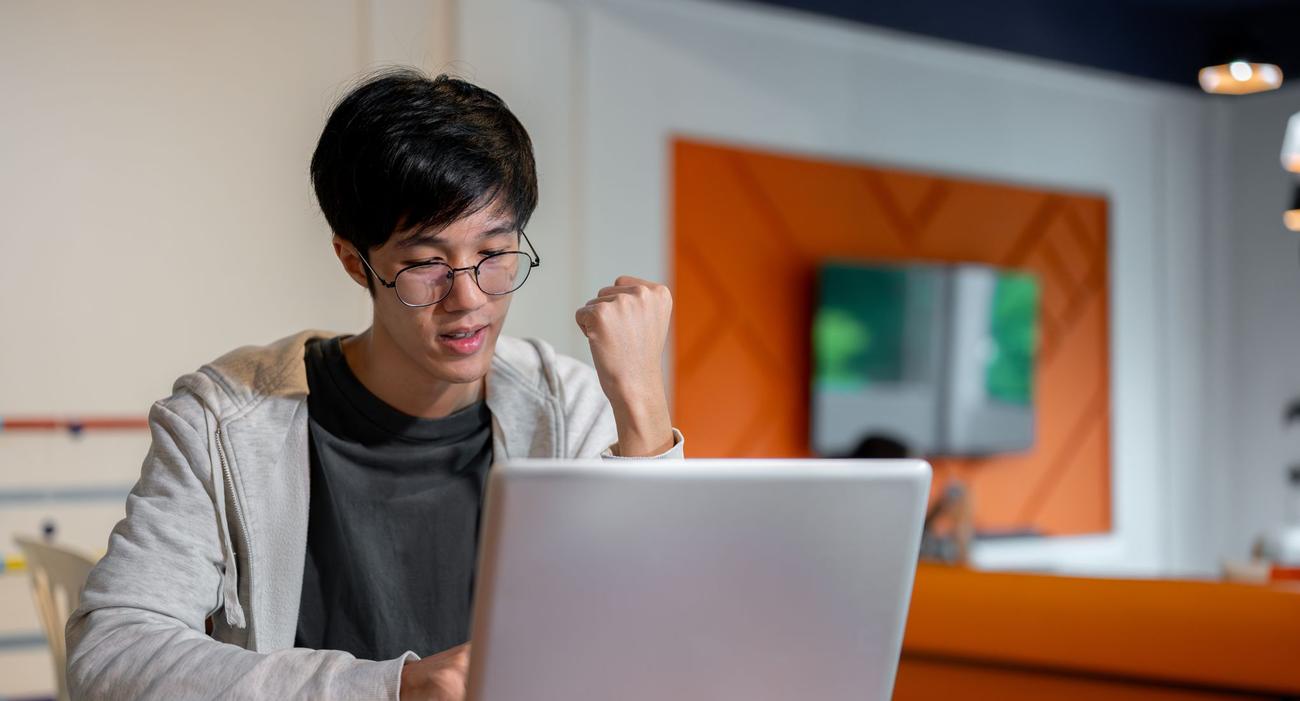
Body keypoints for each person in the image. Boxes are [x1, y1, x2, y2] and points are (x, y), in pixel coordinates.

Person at [64, 68, 684, 701]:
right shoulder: (224, 420)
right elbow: (112, 651)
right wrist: (396, 687)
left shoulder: (567, 407)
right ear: (353, 260)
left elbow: (671, 638)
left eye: (495, 253)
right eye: (424, 265)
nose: (468, 299)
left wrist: (640, 404)